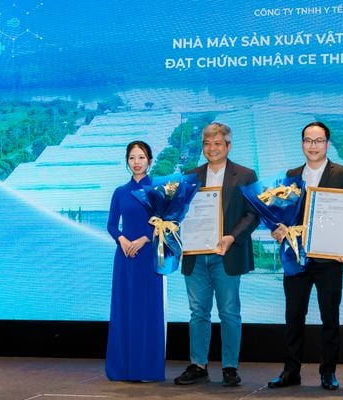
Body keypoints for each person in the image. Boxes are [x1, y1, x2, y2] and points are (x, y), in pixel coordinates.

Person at [267, 121, 343, 391]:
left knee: (330, 317)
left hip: (329, 258)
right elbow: (282, 212)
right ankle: (290, 371)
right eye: (308, 140)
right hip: (296, 257)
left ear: (327, 144)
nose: (313, 146)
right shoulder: (292, 175)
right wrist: (276, 229)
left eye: (318, 141)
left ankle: (328, 372)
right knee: (293, 316)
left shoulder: (342, 173)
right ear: (302, 143)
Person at [174, 122, 259, 387]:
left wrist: (231, 236)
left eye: (218, 143)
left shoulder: (245, 175)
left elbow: (253, 214)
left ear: (228, 146)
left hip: (227, 254)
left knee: (229, 313)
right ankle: (198, 365)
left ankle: (230, 367)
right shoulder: (190, 176)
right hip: (196, 255)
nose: (212, 148)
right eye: (207, 144)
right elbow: (179, 212)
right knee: (198, 312)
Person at [105, 140, 166, 382]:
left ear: (149, 160)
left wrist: (144, 239)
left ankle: (147, 369)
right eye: (132, 158)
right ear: (127, 161)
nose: (136, 162)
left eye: (141, 157)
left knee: (147, 310)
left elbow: (167, 223)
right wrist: (121, 239)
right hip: (125, 257)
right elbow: (111, 225)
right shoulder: (120, 192)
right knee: (124, 309)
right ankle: (122, 369)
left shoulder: (159, 190)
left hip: (148, 256)